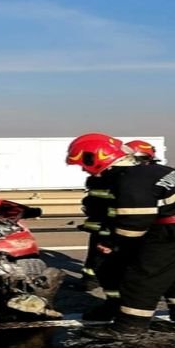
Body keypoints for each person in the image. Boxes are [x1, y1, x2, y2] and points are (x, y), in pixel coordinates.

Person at [66, 132, 175, 339]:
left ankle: (129, 327)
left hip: (170, 233)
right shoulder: (154, 170)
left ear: (96, 158)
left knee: (141, 279)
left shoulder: (131, 181)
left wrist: (112, 243)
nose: (83, 169)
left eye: (84, 163)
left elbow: (134, 223)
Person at [67, 134, 135, 320]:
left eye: (83, 164)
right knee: (108, 272)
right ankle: (116, 307)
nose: (83, 169)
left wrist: (109, 240)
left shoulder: (121, 179)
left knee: (115, 272)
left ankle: (124, 313)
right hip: (109, 233)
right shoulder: (110, 177)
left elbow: (120, 212)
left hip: (117, 235)